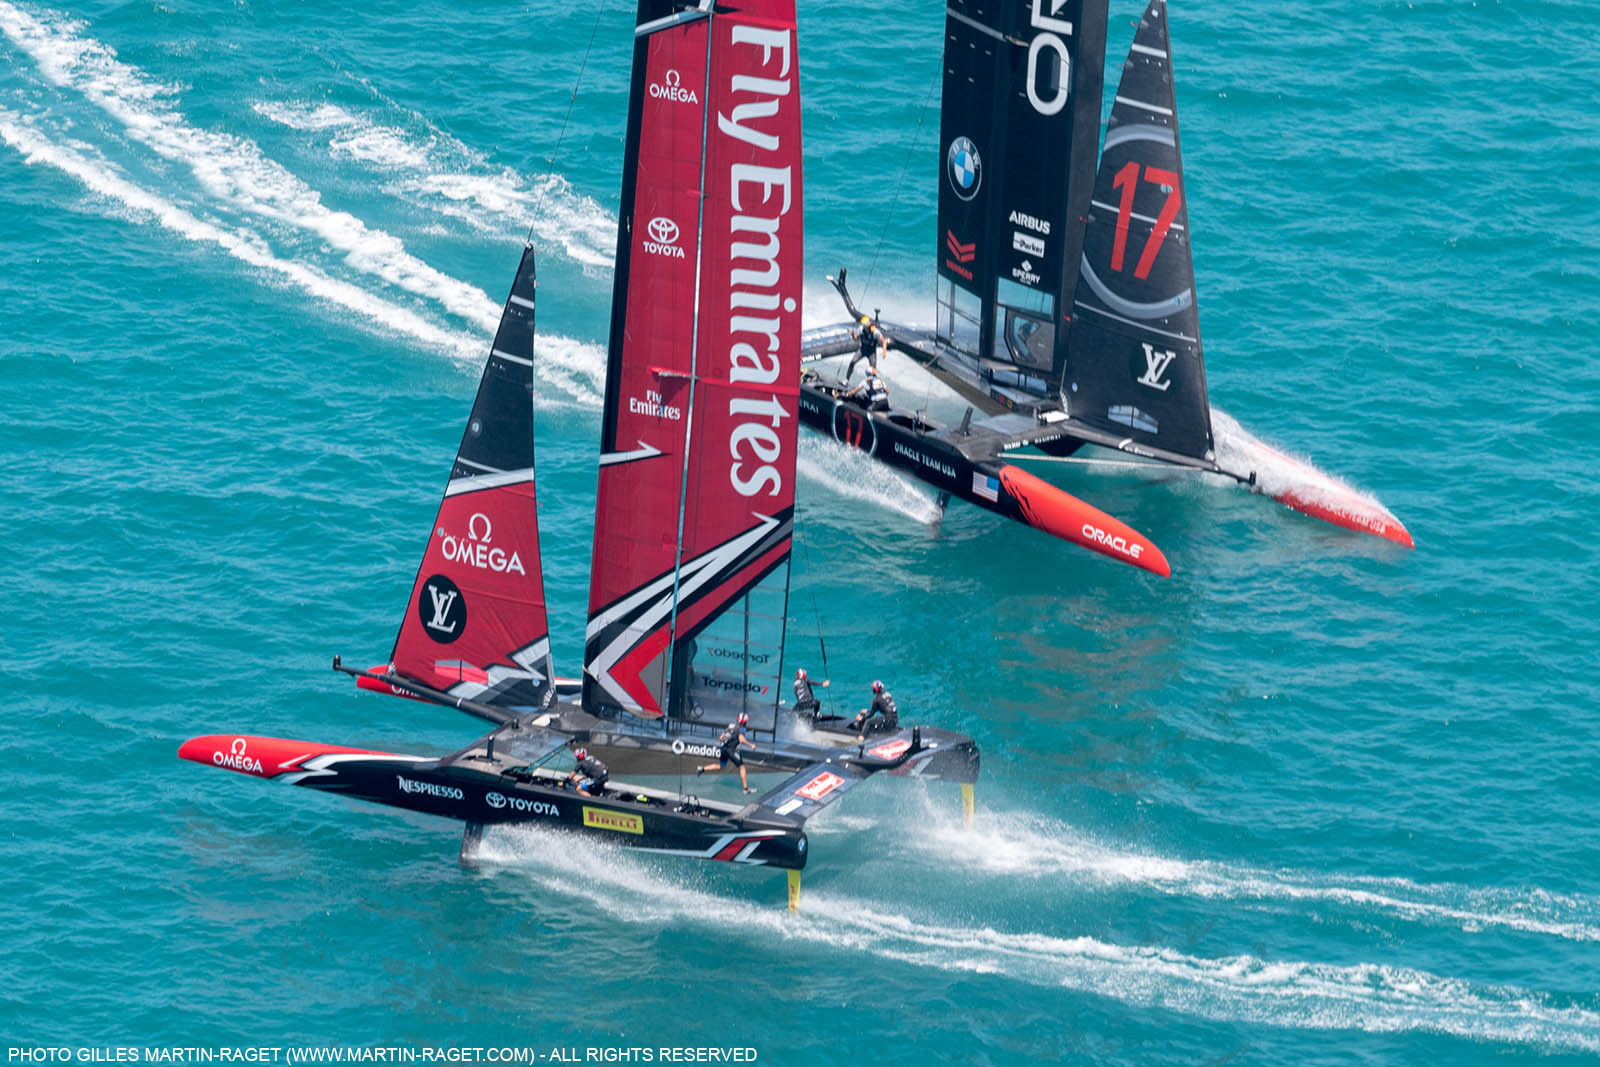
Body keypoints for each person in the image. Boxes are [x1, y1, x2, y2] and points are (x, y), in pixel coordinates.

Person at [697, 711, 758, 793]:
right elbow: (741, 739)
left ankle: (702, 769)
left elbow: (721, 737)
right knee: (742, 767)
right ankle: (745, 789)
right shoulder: (742, 728)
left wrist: (729, 739)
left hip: (723, 749)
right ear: (745, 722)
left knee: (721, 766)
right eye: (746, 721)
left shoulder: (731, 725)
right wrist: (751, 745)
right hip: (731, 750)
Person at [844, 314, 888, 382]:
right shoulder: (861, 329)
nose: (863, 327)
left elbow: (884, 341)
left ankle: (873, 385)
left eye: (865, 326)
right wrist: (852, 334)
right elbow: (856, 338)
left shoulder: (875, 332)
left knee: (873, 371)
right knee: (852, 362)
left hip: (871, 353)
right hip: (863, 350)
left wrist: (884, 352)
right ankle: (847, 380)